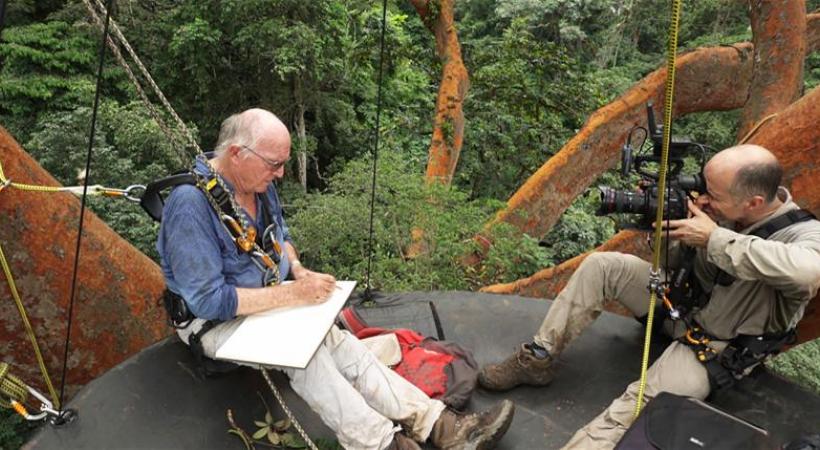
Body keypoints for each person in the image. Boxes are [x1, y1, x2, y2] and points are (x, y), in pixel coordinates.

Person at [157, 108, 514, 450]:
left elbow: (280, 236)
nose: (280, 174)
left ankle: (438, 423)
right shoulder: (190, 205)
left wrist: (297, 269)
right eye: (274, 164)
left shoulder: (257, 183)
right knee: (303, 354)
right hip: (214, 323)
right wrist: (295, 294)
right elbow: (209, 300)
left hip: (264, 299)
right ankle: (381, 444)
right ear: (237, 154)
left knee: (336, 339)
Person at [478, 144, 820, 449]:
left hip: (715, 347)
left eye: (713, 195)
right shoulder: (724, 210)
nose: (704, 199)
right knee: (604, 266)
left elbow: (807, 273)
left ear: (753, 202)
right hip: (681, 306)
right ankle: (538, 358)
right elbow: (670, 264)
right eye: (703, 188)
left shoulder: (804, 234)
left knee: (630, 410)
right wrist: (669, 224)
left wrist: (713, 238)